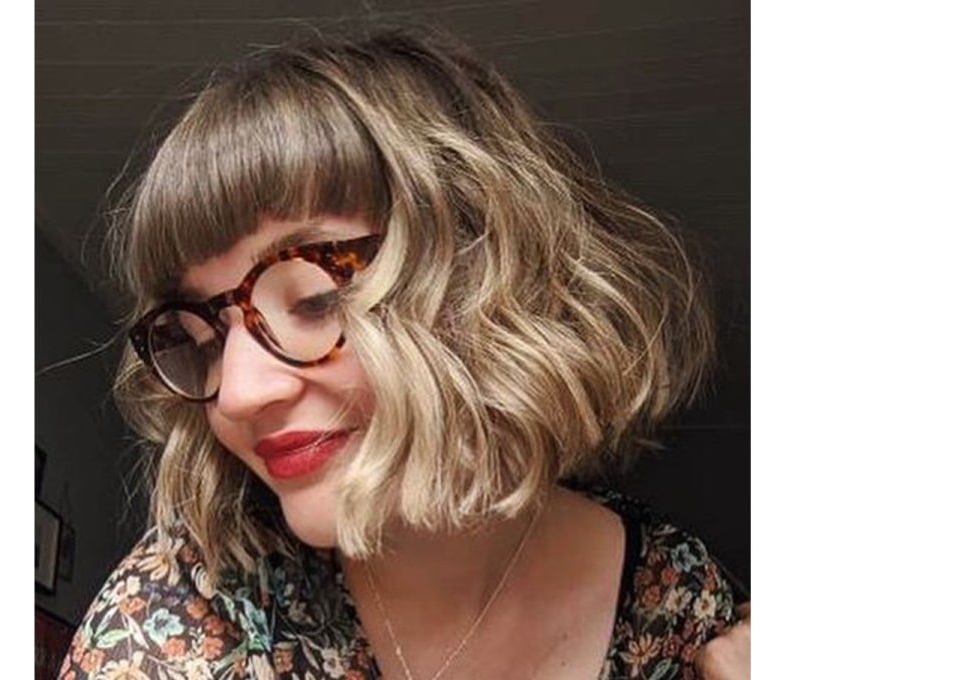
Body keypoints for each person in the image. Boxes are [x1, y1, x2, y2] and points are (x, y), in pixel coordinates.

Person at [59, 26, 749, 680]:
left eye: (313, 299)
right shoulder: (181, 611)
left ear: (486, 278)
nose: (238, 393)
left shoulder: (675, 602)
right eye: (204, 339)